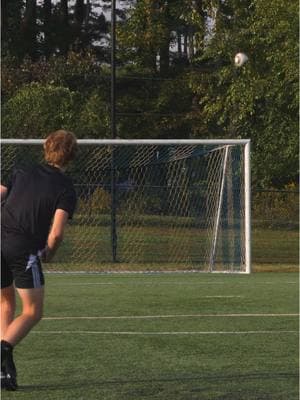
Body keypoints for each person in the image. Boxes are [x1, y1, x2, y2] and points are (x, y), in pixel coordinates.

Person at [1, 130, 77, 391]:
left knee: (5, 301)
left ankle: (3, 370)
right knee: (33, 311)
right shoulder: (65, 187)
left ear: (46, 147)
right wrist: (50, 254)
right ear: (71, 155)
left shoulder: (21, 170)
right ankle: (2, 351)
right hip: (22, 249)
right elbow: (56, 233)